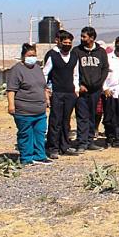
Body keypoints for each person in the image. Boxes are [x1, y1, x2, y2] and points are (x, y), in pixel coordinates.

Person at [6, 43, 51, 165]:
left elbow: (43, 86)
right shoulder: (16, 70)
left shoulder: (37, 68)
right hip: (24, 110)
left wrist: (47, 100)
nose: (32, 57)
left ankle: (40, 156)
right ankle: (26, 157)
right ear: (23, 56)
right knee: (26, 134)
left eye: (34, 55)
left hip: (40, 110)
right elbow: (11, 90)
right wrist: (11, 105)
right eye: (29, 55)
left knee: (40, 133)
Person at [42, 30, 79, 159]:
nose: (67, 44)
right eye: (65, 42)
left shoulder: (74, 57)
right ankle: (53, 147)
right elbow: (45, 73)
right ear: (60, 42)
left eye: (70, 42)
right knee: (55, 120)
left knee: (66, 120)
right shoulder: (53, 56)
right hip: (57, 92)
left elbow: (76, 74)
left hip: (70, 93)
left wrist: (76, 89)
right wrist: (46, 89)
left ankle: (65, 145)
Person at [74, 27, 109, 152]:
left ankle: (90, 141)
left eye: (84, 36)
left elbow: (105, 68)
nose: (82, 39)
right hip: (82, 90)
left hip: (95, 90)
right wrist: (79, 85)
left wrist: (99, 84)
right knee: (82, 116)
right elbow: (73, 70)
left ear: (92, 38)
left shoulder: (101, 52)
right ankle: (82, 143)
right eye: (81, 36)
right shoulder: (77, 51)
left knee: (92, 116)